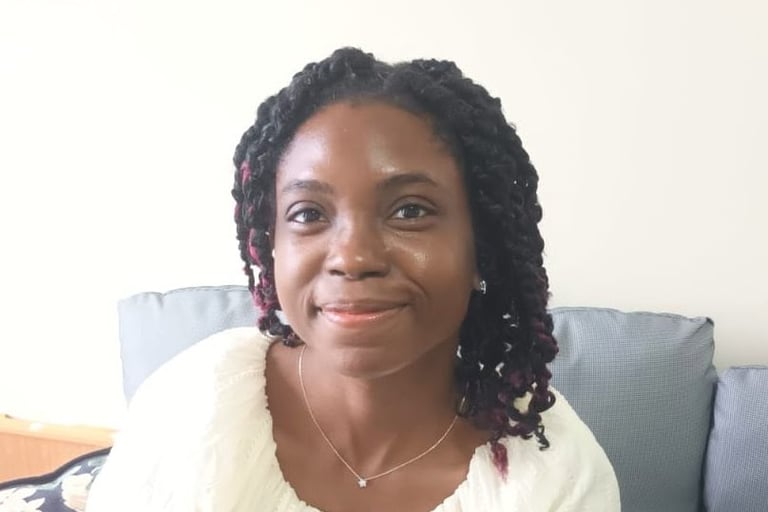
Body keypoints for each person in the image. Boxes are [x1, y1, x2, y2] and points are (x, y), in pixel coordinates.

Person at [87, 47, 620, 511]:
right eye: (307, 213)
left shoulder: (554, 478)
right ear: (270, 243)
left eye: (410, 211)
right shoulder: (191, 410)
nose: (353, 256)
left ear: (483, 247)